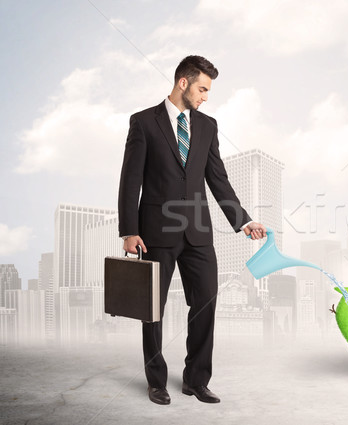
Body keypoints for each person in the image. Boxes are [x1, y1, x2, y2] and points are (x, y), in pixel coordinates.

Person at [118, 55, 266, 405]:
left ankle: (196, 380)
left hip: (199, 232)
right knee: (151, 309)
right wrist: (129, 230)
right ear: (183, 82)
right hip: (155, 231)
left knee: (206, 303)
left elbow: (217, 178)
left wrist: (243, 219)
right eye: (202, 88)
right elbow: (130, 179)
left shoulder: (208, 126)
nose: (205, 96)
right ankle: (156, 381)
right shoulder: (143, 123)